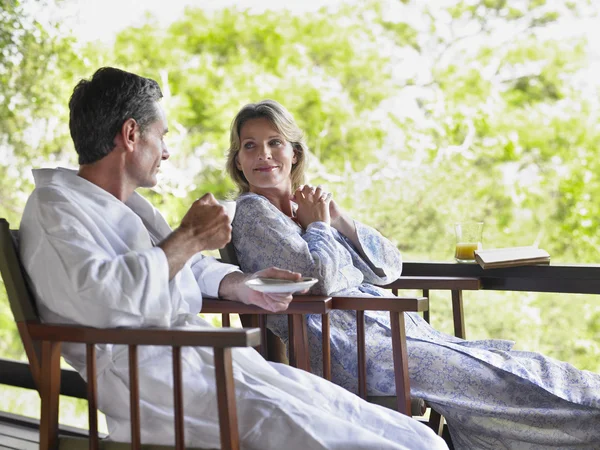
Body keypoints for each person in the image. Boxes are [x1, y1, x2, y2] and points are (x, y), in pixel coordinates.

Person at [19, 68, 448, 450]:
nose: (166, 151)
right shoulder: (56, 207)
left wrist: (242, 284)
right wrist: (187, 238)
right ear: (132, 135)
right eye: (162, 136)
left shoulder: (126, 206)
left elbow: (185, 264)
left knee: (414, 436)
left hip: (204, 361)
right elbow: (102, 297)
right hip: (155, 384)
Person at [226, 99, 600, 450]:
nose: (264, 155)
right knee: (499, 382)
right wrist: (320, 227)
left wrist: (338, 219)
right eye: (250, 146)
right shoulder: (253, 213)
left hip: (396, 335)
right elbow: (317, 282)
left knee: (517, 368)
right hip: (351, 350)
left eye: (275, 142)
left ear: (294, 154)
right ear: (238, 162)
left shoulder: (307, 208)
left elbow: (389, 267)